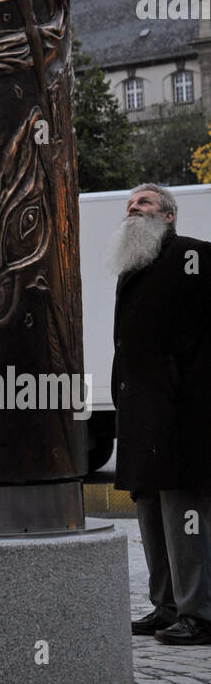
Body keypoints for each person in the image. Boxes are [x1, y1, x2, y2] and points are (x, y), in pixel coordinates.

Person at [109, 183, 211, 645]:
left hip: (181, 413)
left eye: (144, 203)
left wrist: (188, 388)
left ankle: (200, 613)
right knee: (150, 510)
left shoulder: (192, 255)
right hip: (140, 414)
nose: (133, 208)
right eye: (129, 204)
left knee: (183, 512)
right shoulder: (134, 266)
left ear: (168, 216)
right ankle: (166, 606)